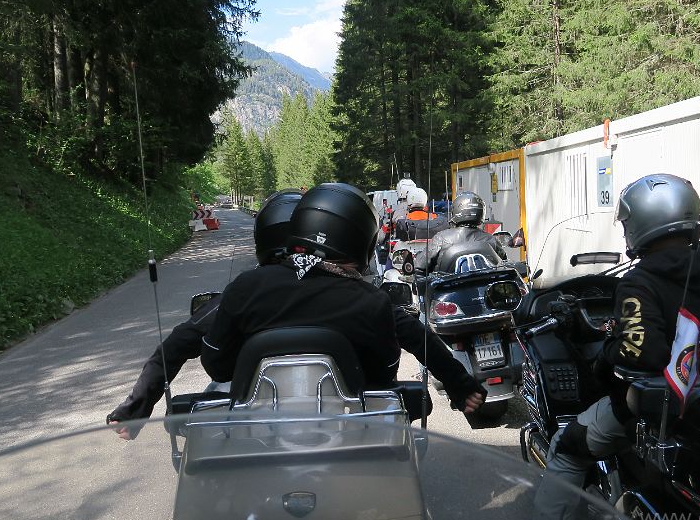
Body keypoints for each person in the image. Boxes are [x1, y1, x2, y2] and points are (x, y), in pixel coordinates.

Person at [530, 174, 700, 520]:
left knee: (566, 449)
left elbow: (641, 354)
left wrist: (605, 356)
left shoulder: (641, 283)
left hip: (664, 411)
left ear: (639, 225)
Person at [201, 182, 485, 412]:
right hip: (347, 440)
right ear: (359, 240)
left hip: (254, 438)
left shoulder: (246, 286)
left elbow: (217, 364)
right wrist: (461, 385)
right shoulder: (369, 301)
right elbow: (386, 373)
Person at [106, 189, 303, 438]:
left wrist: (134, 410)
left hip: (253, 420)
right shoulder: (349, 289)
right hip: (343, 417)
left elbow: (175, 346)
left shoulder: (246, 290)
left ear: (261, 235)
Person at [422, 191, 506, 273]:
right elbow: (503, 265)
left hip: (449, 286)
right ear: (481, 212)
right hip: (484, 285)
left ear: (456, 210)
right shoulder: (491, 240)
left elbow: (421, 265)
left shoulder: (441, 238)